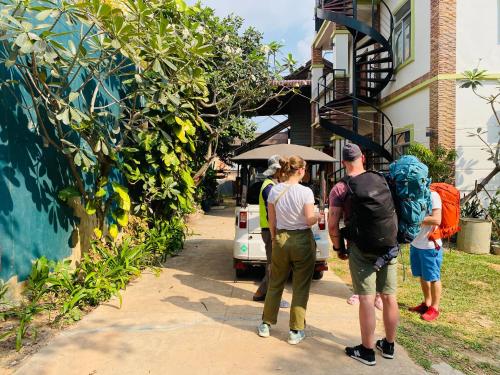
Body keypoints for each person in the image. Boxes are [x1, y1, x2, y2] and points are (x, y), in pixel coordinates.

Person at [328, 143, 399, 366]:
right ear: (363, 159)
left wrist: (339, 248)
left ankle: (367, 351)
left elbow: (332, 225)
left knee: (367, 299)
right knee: (389, 297)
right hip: (388, 246)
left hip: (360, 247)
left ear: (343, 163)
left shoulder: (340, 188)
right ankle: (388, 345)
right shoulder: (382, 179)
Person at [257, 155, 318, 345]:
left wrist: (275, 239)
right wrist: (319, 215)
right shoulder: (306, 192)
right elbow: (308, 219)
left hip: (281, 239)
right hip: (302, 240)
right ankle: (295, 330)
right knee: (300, 286)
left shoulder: (274, 190)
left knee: (276, 282)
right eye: (305, 169)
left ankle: (266, 324)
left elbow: (271, 220)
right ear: (300, 170)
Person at [253, 155, 289, 309]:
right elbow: (275, 211)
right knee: (274, 265)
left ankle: (260, 293)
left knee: (273, 264)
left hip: (269, 229)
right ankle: (273, 298)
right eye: (280, 171)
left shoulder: (270, 185)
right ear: (275, 171)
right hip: (270, 230)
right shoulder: (269, 188)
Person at [408, 190, 443, 321]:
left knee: (433, 277)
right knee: (422, 275)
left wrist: (416, 219)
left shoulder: (433, 195)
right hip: (416, 243)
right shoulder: (412, 195)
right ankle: (427, 303)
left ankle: (435, 308)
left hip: (430, 245)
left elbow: (436, 219)